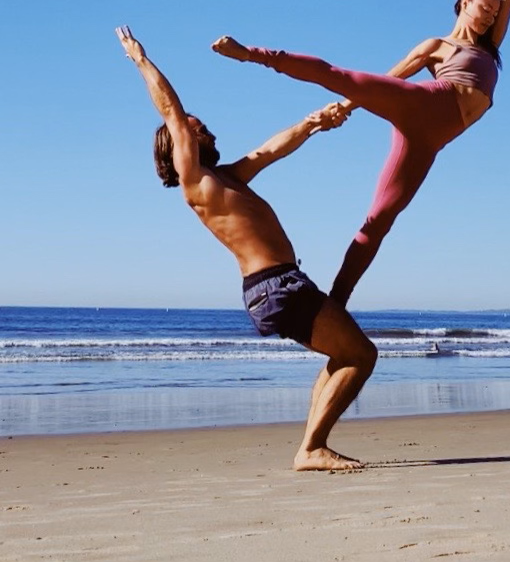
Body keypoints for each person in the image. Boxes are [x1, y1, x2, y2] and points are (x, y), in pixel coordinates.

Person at [211, 0, 510, 305]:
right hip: (426, 104)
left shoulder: (490, 45)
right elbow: (391, 78)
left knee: (380, 219)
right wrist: (347, 105)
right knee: (341, 76)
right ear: (465, 2)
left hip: (429, 141)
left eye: (493, 12)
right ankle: (252, 54)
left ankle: (336, 303)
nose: (490, 16)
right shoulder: (436, 46)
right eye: (484, 8)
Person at [116, 26, 377, 471]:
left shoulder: (229, 178)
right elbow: (172, 111)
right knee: (362, 355)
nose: (209, 131)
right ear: (183, 145)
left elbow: (270, 150)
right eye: (200, 130)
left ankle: (312, 446)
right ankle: (311, 448)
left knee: (344, 353)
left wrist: (315, 122)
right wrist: (141, 60)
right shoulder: (195, 181)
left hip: (280, 285)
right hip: (275, 287)